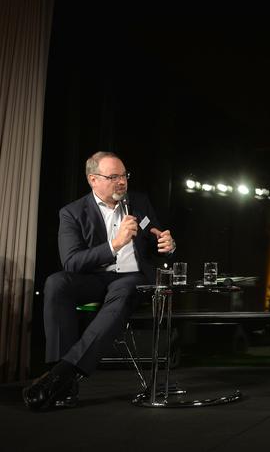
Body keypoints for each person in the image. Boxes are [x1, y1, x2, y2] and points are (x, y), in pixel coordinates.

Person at [23, 151, 176, 411]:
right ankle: (65, 381)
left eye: (124, 175)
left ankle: (59, 377)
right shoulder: (72, 213)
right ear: (93, 180)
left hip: (132, 278)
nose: (122, 182)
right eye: (113, 176)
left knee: (125, 288)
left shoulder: (139, 202)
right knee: (56, 283)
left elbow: (156, 237)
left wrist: (168, 245)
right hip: (95, 278)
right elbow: (71, 262)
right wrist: (114, 245)